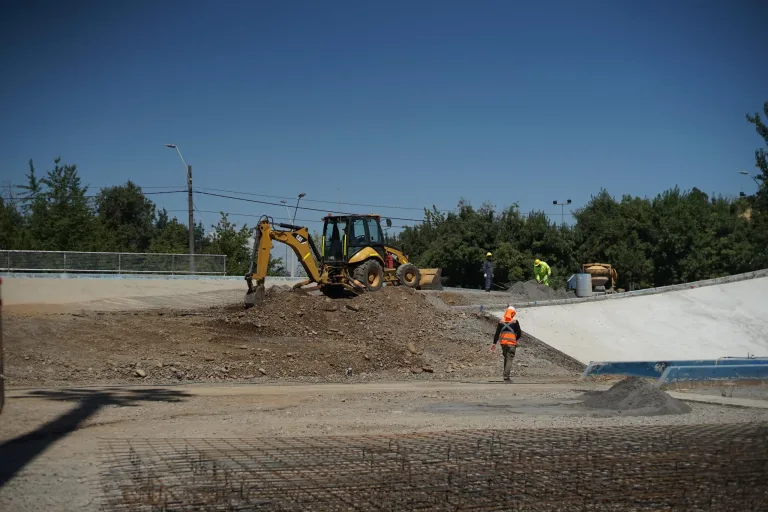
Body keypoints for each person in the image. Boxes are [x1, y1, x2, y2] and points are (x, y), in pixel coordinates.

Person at [492, 306, 522, 382]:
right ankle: (506, 377)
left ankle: (505, 375)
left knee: (506, 358)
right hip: (511, 344)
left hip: (503, 344)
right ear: (512, 313)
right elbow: (519, 333)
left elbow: (497, 333)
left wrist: (494, 343)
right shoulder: (515, 322)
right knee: (509, 359)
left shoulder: (501, 321)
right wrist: (515, 339)